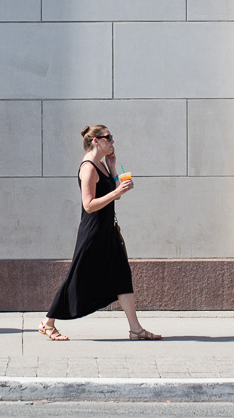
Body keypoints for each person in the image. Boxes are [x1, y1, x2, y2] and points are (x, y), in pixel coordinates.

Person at [39, 125, 161, 341]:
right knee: (77, 276)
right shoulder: (88, 168)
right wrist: (116, 192)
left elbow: (116, 197)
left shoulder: (102, 165)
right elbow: (89, 205)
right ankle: (48, 322)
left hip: (107, 231)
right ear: (96, 141)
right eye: (108, 137)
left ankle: (135, 329)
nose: (112, 141)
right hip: (93, 232)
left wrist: (113, 169)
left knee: (123, 275)